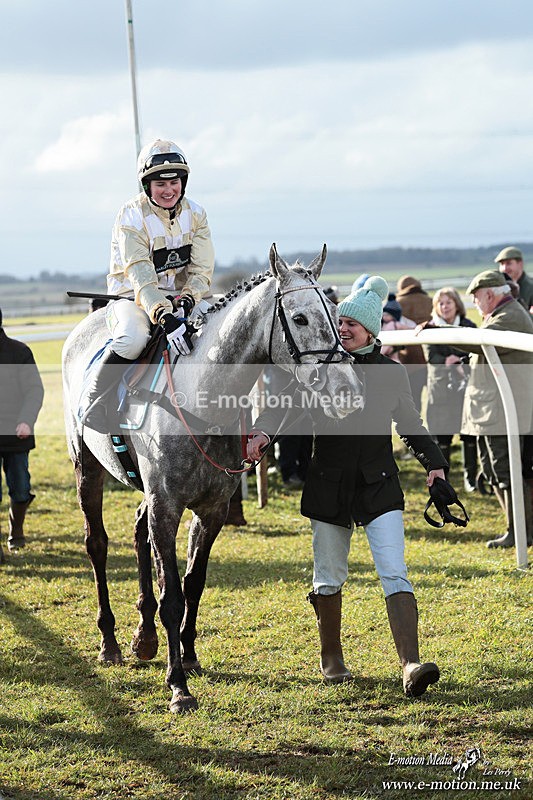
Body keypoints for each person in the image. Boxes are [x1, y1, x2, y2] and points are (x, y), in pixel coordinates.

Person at [247, 276, 448, 697]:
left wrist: (436, 467)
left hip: (379, 486)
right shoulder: (316, 369)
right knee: (329, 575)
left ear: (370, 332)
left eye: (351, 324)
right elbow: (282, 408)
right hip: (329, 486)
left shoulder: (391, 374)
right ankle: (332, 659)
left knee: (394, 571)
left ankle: (410, 665)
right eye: (339, 322)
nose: (342, 329)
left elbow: (410, 424)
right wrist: (263, 433)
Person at [83, 139, 215, 433]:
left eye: (174, 182)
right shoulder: (130, 215)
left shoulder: (197, 213)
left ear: (183, 182)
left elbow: (202, 268)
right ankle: (94, 399)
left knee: (220, 327)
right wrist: (165, 316)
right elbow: (140, 275)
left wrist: (187, 301)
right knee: (132, 339)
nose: (169, 190)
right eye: (160, 184)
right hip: (132, 298)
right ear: (147, 186)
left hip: (181, 297)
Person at [461, 270, 533, 548]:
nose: (475, 304)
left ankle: (520, 532)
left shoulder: (510, 316)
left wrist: (438, 332)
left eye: (476, 297)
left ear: (489, 294)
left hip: (505, 410)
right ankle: (516, 530)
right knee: (494, 470)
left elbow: (478, 342)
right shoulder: (501, 314)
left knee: (508, 470)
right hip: (493, 408)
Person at [422, 287, 478, 492]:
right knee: (442, 437)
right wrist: (447, 360)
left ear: (457, 304)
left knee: (469, 435)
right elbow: (431, 356)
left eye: (448, 302)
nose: (444, 306)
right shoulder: (430, 328)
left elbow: (476, 353)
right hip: (441, 391)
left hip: (465, 388)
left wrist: (461, 361)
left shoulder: (468, 326)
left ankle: (470, 478)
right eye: (441, 303)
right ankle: (444, 479)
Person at [0, 309, 44, 554]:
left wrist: (26, 420)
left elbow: (34, 390)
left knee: (20, 489)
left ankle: (16, 532)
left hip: (17, 434)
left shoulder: (19, 352)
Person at [394, 276, 433, 412]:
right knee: (435, 399)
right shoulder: (430, 301)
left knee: (412, 401)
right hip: (430, 357)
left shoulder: (398, 303)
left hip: (409, 360)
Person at [494, 246, 533, 312]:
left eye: (509, 263)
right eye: (502, 264)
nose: (504, 268)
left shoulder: (530, 287)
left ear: (520, 264)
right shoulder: (499, 288)